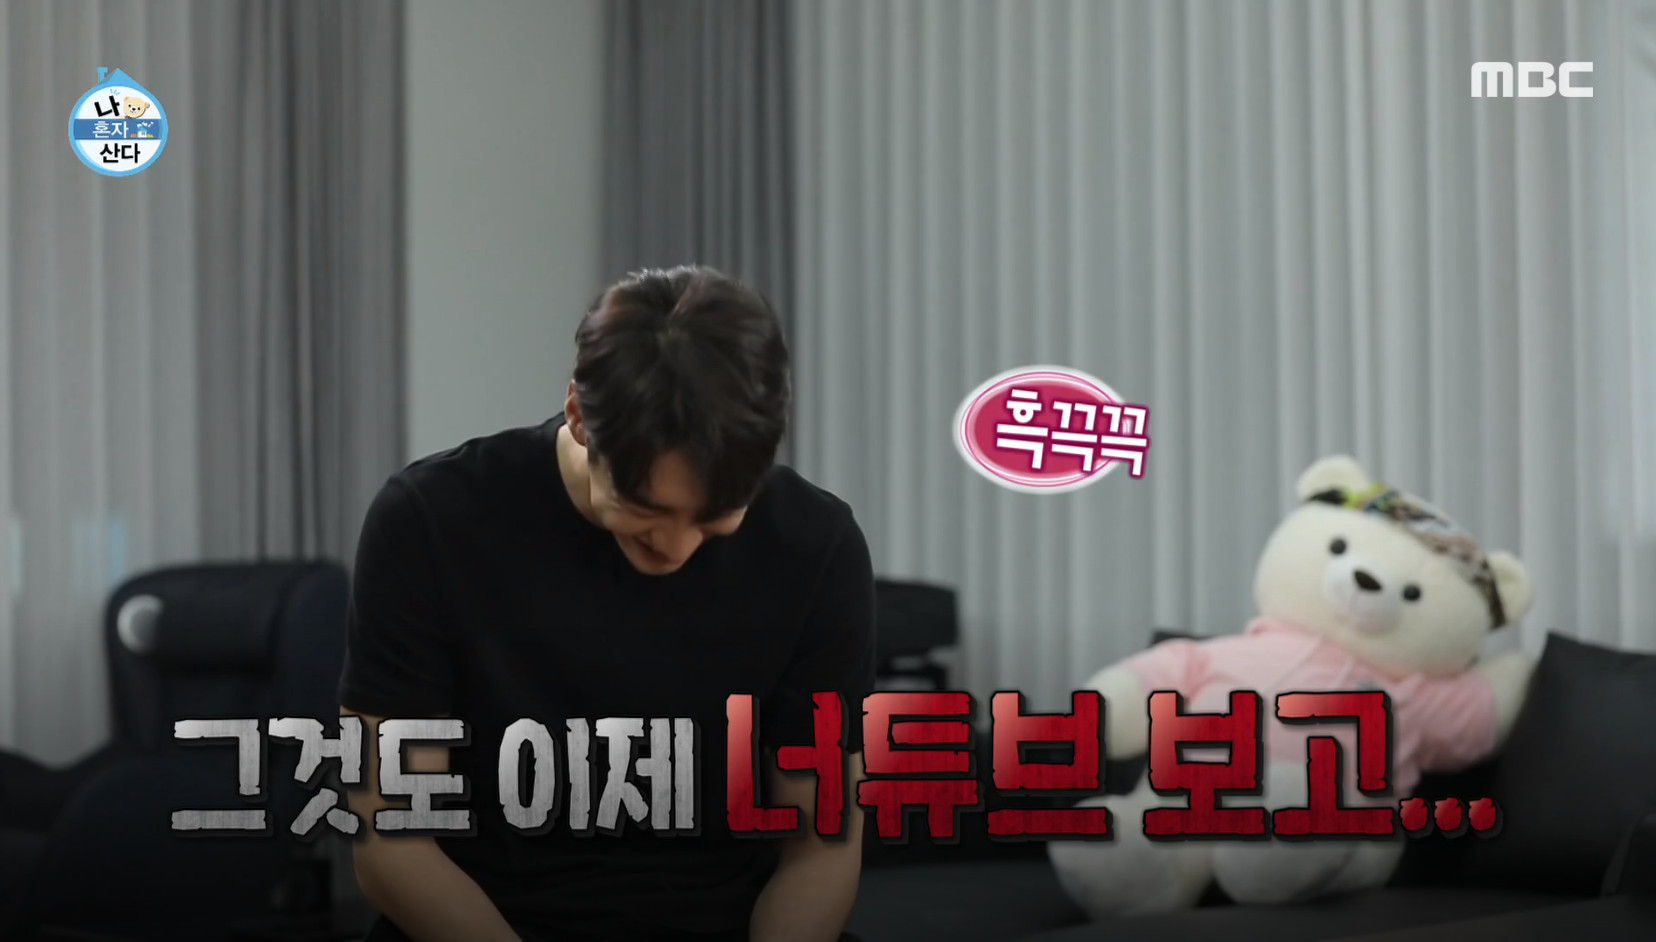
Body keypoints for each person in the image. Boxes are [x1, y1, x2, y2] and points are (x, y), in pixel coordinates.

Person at [338, 265, 876, 942]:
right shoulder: (430, 521)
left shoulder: (816, 545)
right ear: (579, 416)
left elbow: (821, 849)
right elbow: (390, 840)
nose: (676, 547)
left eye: (714, 518)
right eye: (646, 511)